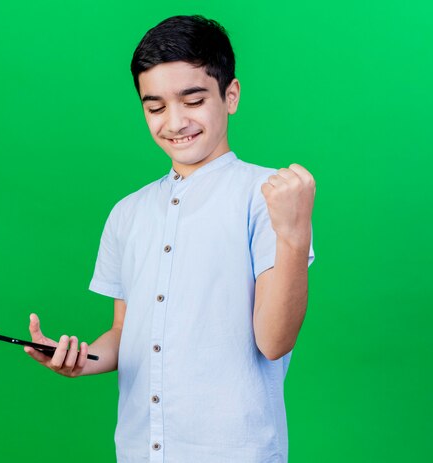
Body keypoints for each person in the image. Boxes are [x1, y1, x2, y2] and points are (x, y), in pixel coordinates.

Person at [24, 14, 316, 463]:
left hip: (235, 451)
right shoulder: (128, 212)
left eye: (193, 100)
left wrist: (294, 236)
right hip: (142, 450)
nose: (175, 122)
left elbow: (274, 341)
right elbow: (124, 331)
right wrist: (80, 361)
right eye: (155, 107)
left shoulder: (265, 198)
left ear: (230, 95)